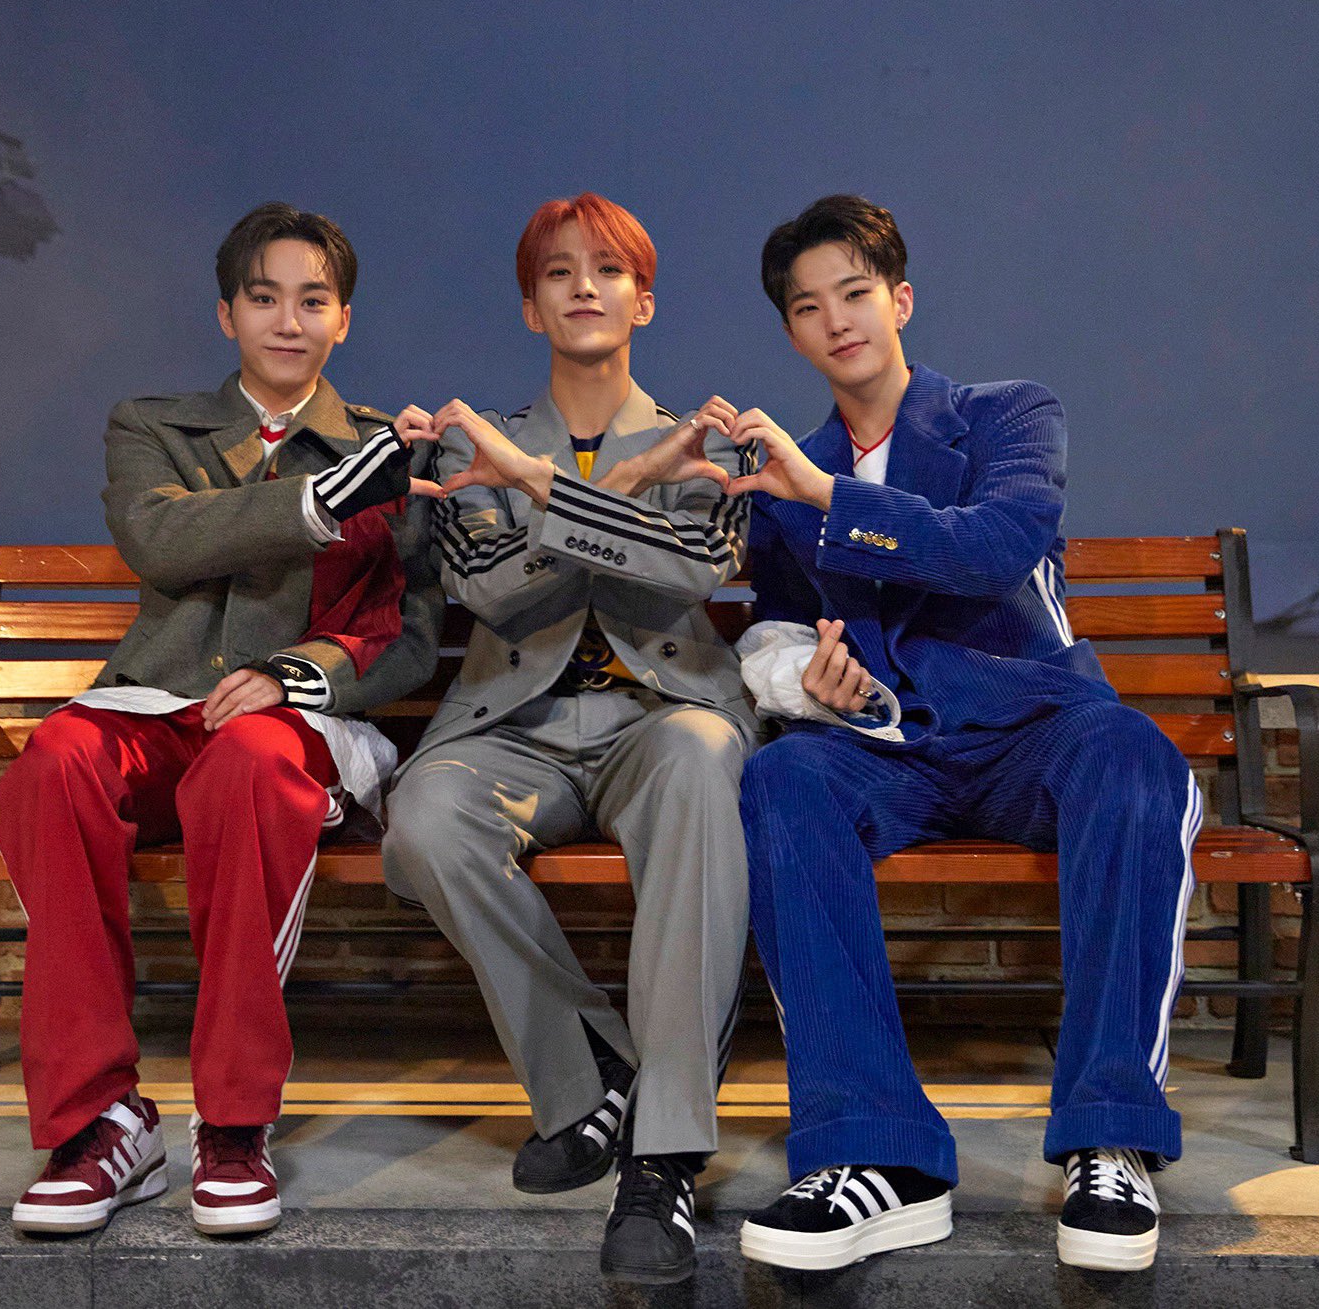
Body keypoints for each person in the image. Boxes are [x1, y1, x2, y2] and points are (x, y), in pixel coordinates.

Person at [721, 195, 1199, 1275]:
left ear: (899, 299)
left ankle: (1110, 1136)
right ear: (791, 332)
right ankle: (874, 1154)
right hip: (889, 745)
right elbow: (776, 625)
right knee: (784, 778)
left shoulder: (1006, 414)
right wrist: (808, 679)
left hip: (1032, 727)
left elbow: (992, 547)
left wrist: (828, 495)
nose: (837, 320)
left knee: (1133, 756)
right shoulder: (784, 472)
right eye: (808, 307)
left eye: (854, 292)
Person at [0, 202, 441, 1238]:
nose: (288, 320)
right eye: (264, 297)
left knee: (248, 766)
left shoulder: (389, 448)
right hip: (157, 706)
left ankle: (236, 1123)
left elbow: (410, 634)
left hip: (293, 728)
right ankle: (98, 1122)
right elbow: (159, 538)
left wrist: (298, 672)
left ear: (344, 320)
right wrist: (316, 503)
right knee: (55, 760)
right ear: (226, 312)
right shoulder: (154, 427)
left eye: (313, 301)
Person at [380, 193, 755, 1285]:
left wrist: (570, 488)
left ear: (644, 299)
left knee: (699, 761)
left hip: (663, 716)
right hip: (518, 726)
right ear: (530, 306)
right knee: (423, 818)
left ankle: (663, 1153)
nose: (583, 286)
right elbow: (490, 592)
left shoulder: (706, 439)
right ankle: (592, 1069)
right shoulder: (474, 445)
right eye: (557, 271)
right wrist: (620, 498)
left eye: (607, 269)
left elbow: (690, 571)